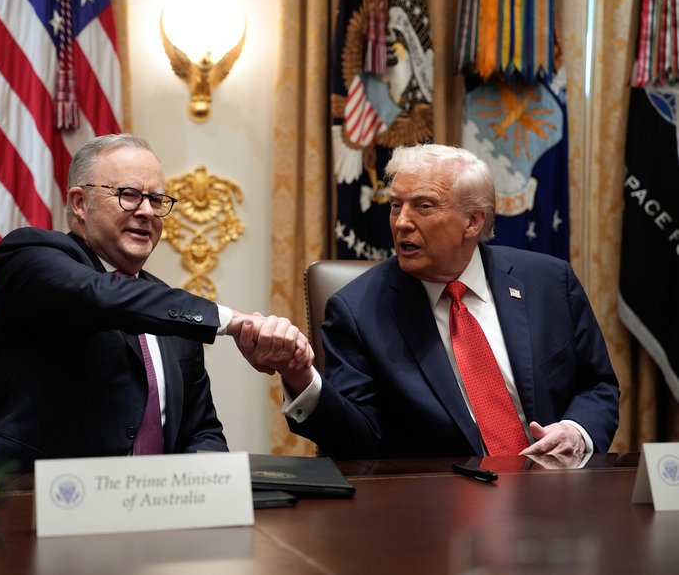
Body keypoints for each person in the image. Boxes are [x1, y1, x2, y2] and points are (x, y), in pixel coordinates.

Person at [240, 143, 620, 462]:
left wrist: (577, 430)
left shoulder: (549, 282)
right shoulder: (358, 311)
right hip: (438, 512)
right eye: (395, 206)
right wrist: (301, 378)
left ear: (472, 222)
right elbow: (358, 442)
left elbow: (597, 386)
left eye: (423, 207)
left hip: (554, 499)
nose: (401, 222)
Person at [0, 133, 311, 470]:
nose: (146, 212)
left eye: (156, 200)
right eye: (129, 196)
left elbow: (201, 431)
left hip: (160, 507)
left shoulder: (172, 313)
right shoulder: (29, 257)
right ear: (80, 203)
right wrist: (233, 322)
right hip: (40, 502)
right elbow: (101, 296)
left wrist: (214, 493)